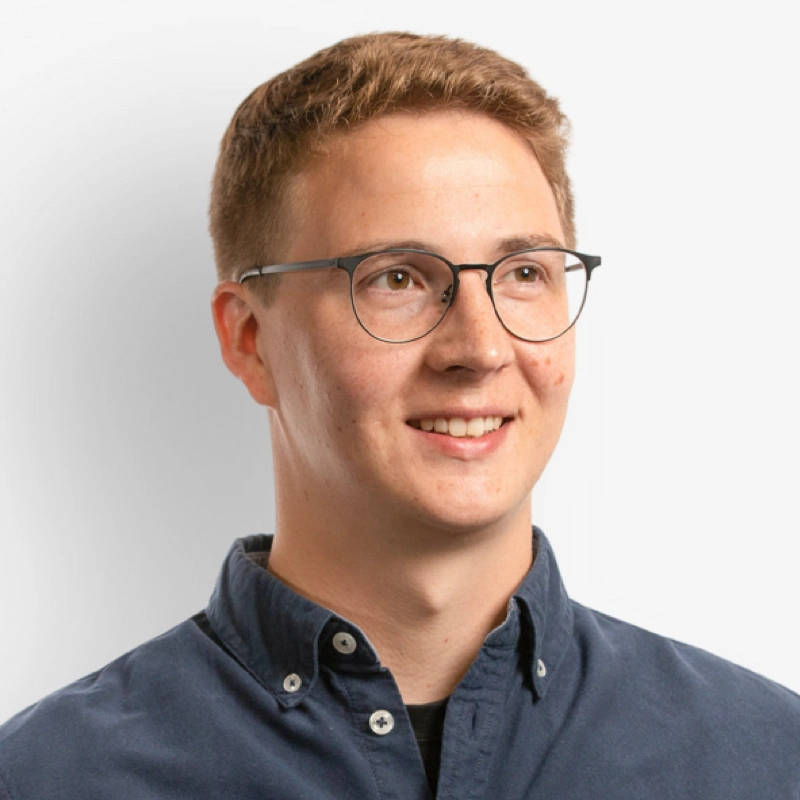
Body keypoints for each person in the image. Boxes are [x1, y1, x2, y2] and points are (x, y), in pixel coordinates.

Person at [1, 31, 798, 800]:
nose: (480, 348)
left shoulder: (766, 759)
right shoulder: (49, 778)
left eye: (522, 271)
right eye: (396, 279)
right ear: (249, 340)